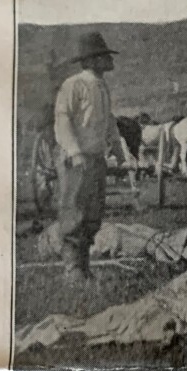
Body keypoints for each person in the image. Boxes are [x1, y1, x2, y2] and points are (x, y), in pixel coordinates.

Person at [52, 31, 130, 280]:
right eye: (104, 56)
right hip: (75, 159)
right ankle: (73, 269)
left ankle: (84, 268)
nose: (109, 61)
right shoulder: (74, 85)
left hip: (95, 158)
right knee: (74, 212)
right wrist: (75, 152)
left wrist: (117, 149)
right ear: (93, 60)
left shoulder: (102, 86)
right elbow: (62, 120)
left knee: (93, 213)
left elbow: (108, 121)